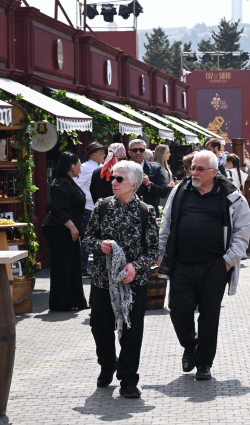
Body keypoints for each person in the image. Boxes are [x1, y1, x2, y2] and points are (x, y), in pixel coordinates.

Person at [158, 150, 250, 381]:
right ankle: (190, 345)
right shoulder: (180, 191)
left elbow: (243, 229)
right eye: (192, 168)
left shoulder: (230, 195)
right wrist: (161, 253)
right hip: (182, 264)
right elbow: (167, 224)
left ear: (213, 171)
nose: (194, 172)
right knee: (178, 309)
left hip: (215, 266)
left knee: (209, 315)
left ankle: (204, 363)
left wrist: (228, 261)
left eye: (200, 169)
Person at [83, 160, 160, 399]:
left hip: (132, 282)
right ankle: (107, 364)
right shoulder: (102, 206)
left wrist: (134, 267)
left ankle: (128, 379)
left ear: (134, 184)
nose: (113, 182)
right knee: (99, 326)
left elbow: (153, 251)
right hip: (103, 280)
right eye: (112, 178)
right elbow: (87, 240)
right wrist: (100, 245)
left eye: (119, 179)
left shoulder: (146, 211)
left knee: (131, 331)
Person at [42, 151, 89, 311]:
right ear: (72, 166)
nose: (81, 168)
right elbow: (58, 209)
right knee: (63, 267)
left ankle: (74, 301)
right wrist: (72, 227)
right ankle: (61, 304)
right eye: (79, 165)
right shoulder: (61, 183)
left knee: (73, 265)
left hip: (69, 230)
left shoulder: (69, 182)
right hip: (61, 230)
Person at [75, 141, 105, 276]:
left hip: (91, 207)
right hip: (87, 207)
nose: (104, 155)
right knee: (87, 238)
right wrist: (86, 199)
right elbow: (76, 185)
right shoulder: (87, 167)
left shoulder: (93, 166)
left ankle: (83, 266)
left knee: (89, 237)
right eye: (101, 153)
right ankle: (81, 267)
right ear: (94, 155)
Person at [128, 139, 167, 216]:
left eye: (141, 150)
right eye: (135, 150)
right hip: (129, 211)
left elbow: (163, 192)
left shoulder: (155, 168)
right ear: (129, 153)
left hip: (149, 212)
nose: (138, 152)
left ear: (145, 152)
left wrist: (149, 184)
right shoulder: (122, 168)